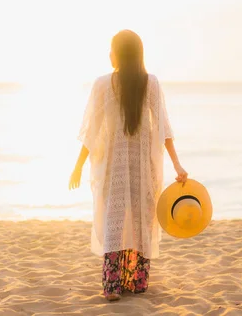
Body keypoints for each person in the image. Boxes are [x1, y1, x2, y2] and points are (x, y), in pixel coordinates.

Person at [68, 29, 188, 301]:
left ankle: (112, 286)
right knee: (136, 220)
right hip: (140, 169)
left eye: (112, 49)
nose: (109, 54)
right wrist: (77, 166)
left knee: (120, 220)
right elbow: (163, 130)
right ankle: (136, 282)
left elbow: (163, 127)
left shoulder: (140, 84)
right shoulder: (139, 83)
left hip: (124, 169)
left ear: (121, 53)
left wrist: (179, 166)